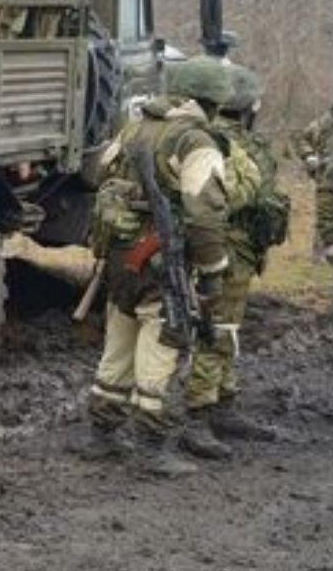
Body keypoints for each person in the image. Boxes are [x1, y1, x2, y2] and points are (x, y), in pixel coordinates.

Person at [75, 56, 232, 477]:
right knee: (163, 342)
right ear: (214, 101)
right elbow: (205, 213)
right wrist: (214, 269)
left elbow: (101, 171)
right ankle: (151, 447)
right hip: (164, 259)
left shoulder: (134, 127)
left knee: (119, 337)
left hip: (120, 256)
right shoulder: (195, 142)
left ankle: (100, 434)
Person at [181, 64, 288, 458]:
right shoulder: (220, 146)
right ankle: (199, 414)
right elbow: (222, 202)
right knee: (215, 329)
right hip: (224, 253)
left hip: (240, 255)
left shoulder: (234, 142)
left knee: (228, 329)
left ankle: (222, 401)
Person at [293, 103, 333, 261]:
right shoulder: (323, 123)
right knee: (325, 214)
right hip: (326, 178)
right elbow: (301, 139)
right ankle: (320, 253)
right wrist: (309, 155)